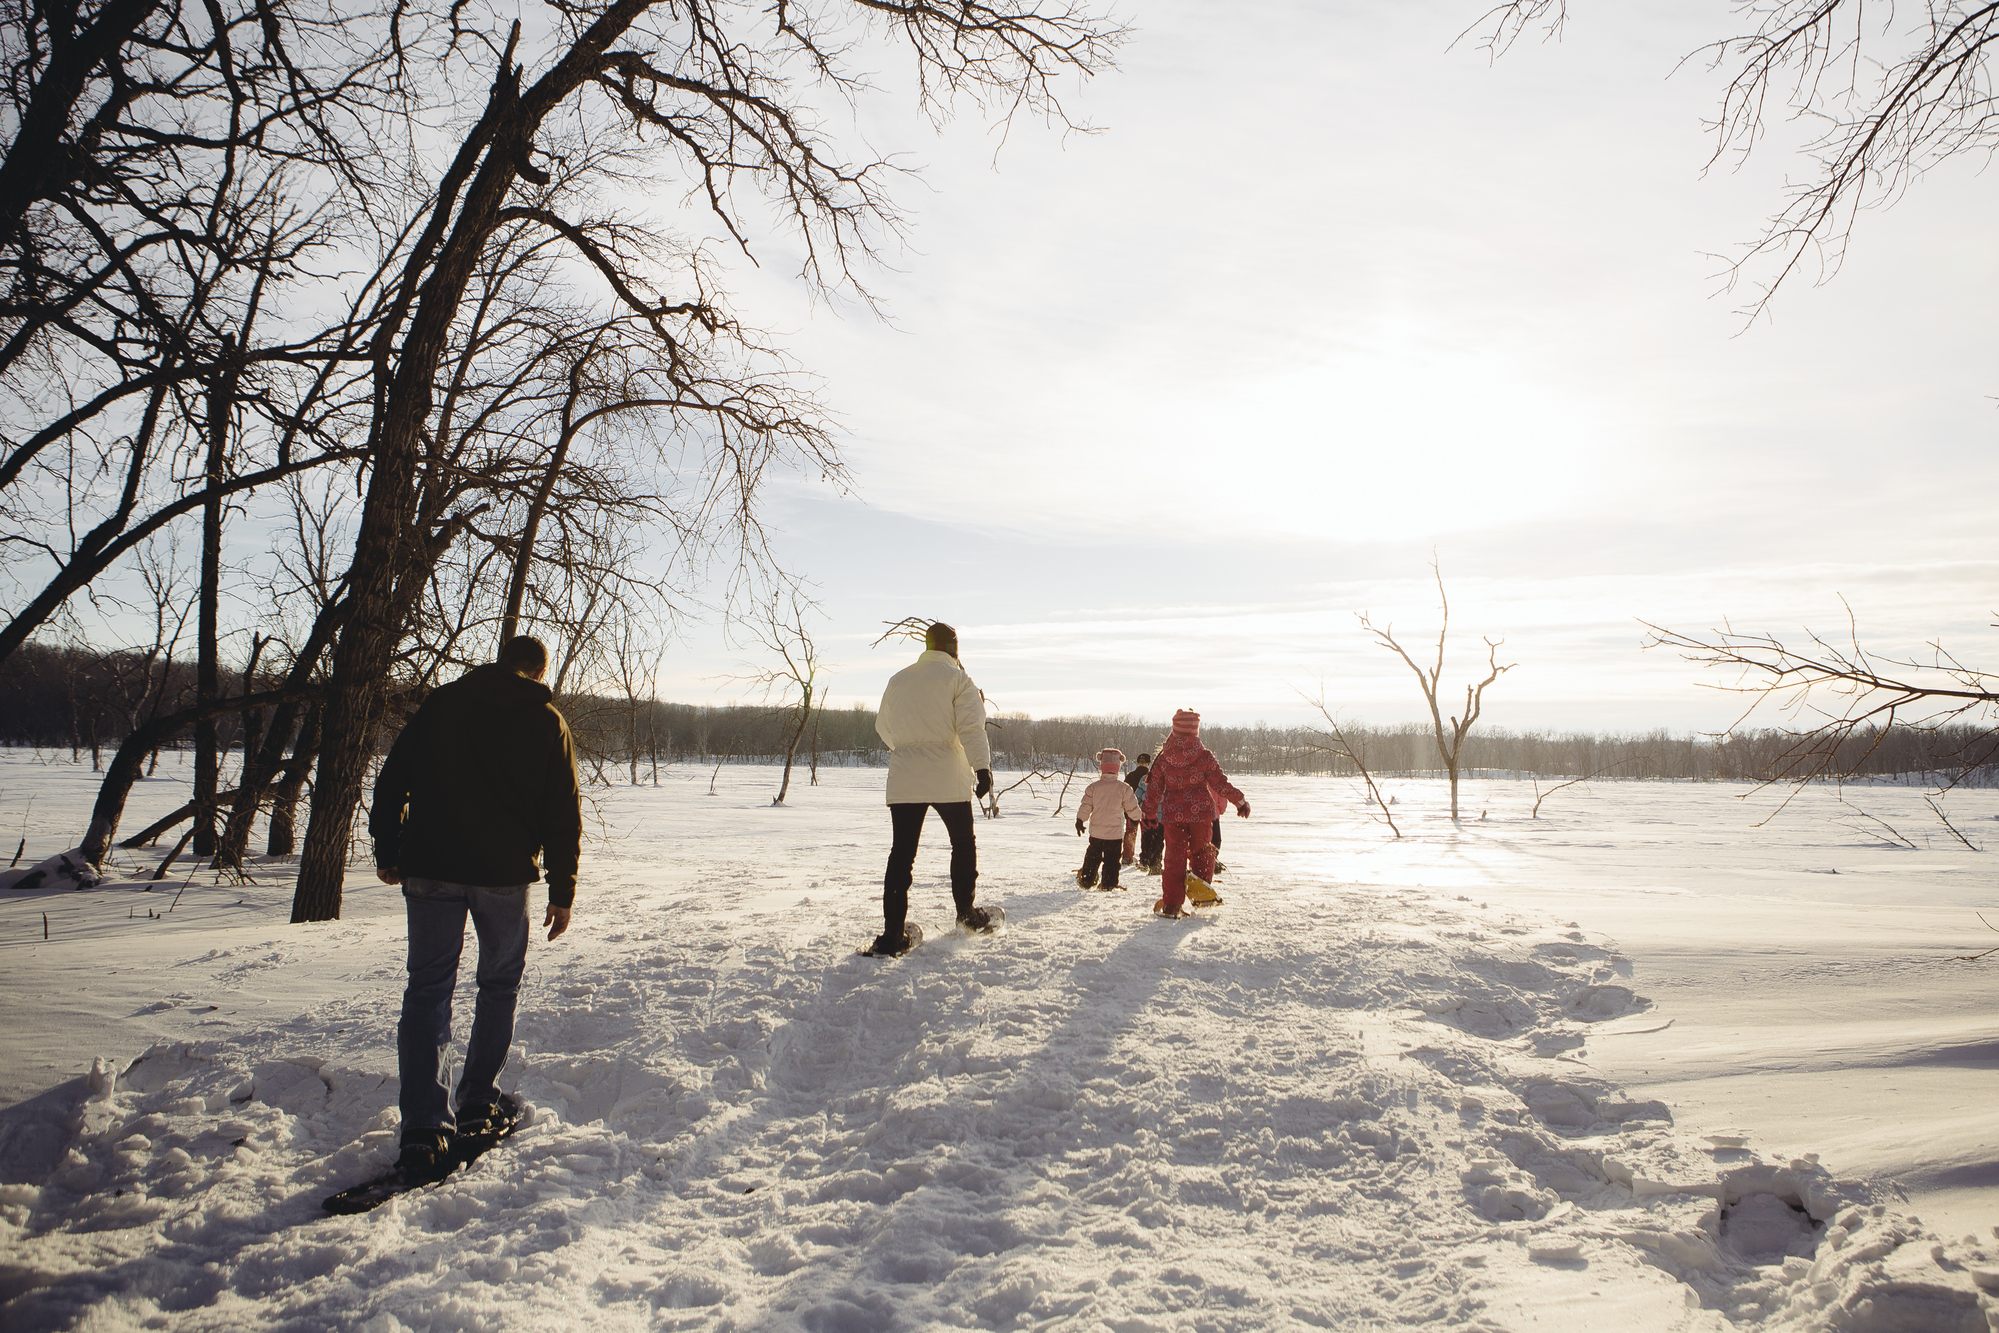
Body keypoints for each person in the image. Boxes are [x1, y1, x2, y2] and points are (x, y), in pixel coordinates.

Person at [370, 634, 580, 1185]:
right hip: (503, 877)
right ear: (537, 671)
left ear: (499, 665)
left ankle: (423, 1126)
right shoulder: (546, 721)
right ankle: (476, 1099)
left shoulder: (443, 706)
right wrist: (563, 888)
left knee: (428, 990)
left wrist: (389, 850)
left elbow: (392, 780)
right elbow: (563, 812)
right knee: (498, 984)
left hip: (431, 868)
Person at [871, 622, 994, 956]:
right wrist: (981, 768)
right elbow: (971, 727)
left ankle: (892, 934)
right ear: (954, 647)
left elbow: (883, 726)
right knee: (962, 845)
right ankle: (967, 915)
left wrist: (909, 748)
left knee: (902, 856)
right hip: (948, 778)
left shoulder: (899, 679)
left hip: (905, 777)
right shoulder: (958, 680)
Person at [1140, 709, 1248, 917]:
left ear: (1174, 730)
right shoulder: (1204, 757)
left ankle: (1172, 904)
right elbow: (1220, 784)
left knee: (1174, 858)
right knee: (1202, 851)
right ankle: (1201, 890)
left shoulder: (1163, 759)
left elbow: (1154, 789)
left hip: (1173, 815)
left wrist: (1150, 814)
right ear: (1196, 731)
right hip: (1201, 814)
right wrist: (1239, 801)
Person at [1074, 748, 1141, 890]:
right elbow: (1132, 807)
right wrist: (1136, 818)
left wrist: (1080, 820)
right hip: (1114, 834)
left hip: (1097, 832)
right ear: (1117, 768)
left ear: (1102, 768)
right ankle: (1109, 884)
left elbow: (1086, 806)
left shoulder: (1093, 787)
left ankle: (1087, 879)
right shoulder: (1124, 788)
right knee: (1112, 859)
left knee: (1093, 856)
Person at [1120, 751, 1150, 866]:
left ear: (1137, 762)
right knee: (1146, 834)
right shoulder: (1151, 777)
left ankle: (1127, 857)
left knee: (1130, 833)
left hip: (1130, 809)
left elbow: (1123, 792)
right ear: (1148, 763)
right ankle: (1145, 859)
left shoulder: (1130, 776)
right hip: (1147, 811)